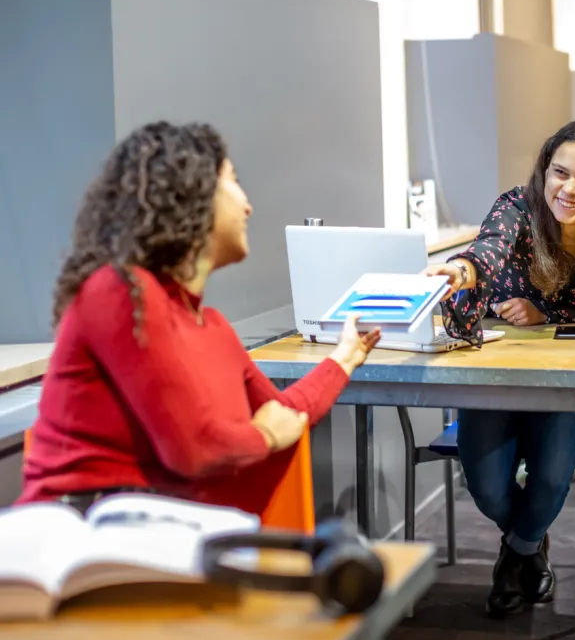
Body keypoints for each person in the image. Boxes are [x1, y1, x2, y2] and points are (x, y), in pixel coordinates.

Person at [18, 122, 380, 517]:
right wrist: (263, 435)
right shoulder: (122, 293)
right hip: (78, 532)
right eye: (234, 181)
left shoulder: (212, 327)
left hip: (148, 529)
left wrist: (346, 356)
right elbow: (195, 449)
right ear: (192, 193)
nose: (248, 205)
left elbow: (285, 413)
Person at [423, 119, 575, 617]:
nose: (568, 189)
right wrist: (460, 272)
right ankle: (529, 546)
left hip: (564, 382)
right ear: (545, 171)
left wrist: (550, 314)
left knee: (550, 479)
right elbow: (486, 251)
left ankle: (514, 558)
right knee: (483, 484)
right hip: (497, 376)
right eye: (559, 173)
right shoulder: (516, 209)